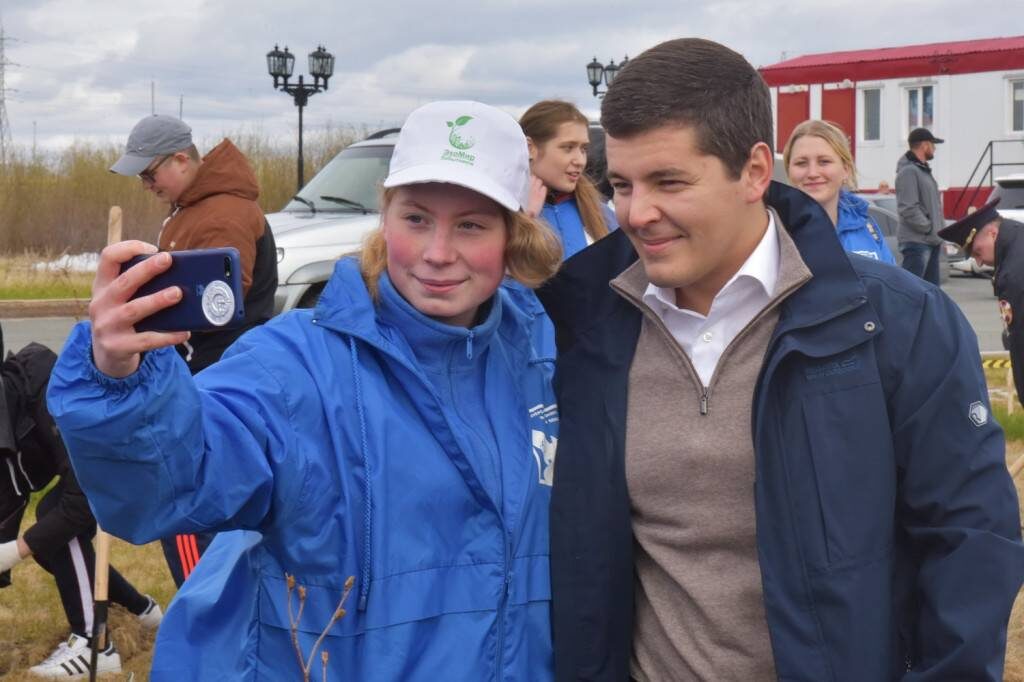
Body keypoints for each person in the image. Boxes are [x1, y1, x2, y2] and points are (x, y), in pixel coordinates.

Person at [536, 38, 1024, 681]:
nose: (636, 213)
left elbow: (969, 539)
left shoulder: (899, 322)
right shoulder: (580, 323)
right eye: (621, 184)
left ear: (756, 172)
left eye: (669, 182)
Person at [46, 100, 562, 680]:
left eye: (471, 224)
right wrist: (118, 377)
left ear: (513, 234)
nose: (438, 253)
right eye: (416, 218)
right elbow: (166, 486)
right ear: (384, 217)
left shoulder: (547, 357)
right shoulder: (293, 367)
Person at [109, 114, 279, 587]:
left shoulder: (222, 214)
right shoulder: (193, 208)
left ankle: (204, 617)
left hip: (217, 378)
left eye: (150, 172)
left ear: (182, 159)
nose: (146, 184)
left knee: (186, 505)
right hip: (208, 374)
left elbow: (219, 304)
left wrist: (145, 313)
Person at [0, 332, 162, 678]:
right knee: (48, 538)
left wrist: (16, 550)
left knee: (55, 524)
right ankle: (142, 611)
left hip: (144, 454)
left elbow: (82, 501)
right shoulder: (10, 401)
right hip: (105, 466)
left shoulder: (46, 390)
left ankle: (95, 643)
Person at [940, 197, 1024, 403]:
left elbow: (1020, 340)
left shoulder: (1012, 274)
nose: (978, 261)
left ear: (992, 234)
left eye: (977, 251)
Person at [783, 119, 895, 264]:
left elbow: (891, 282)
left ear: (846, 170)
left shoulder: (866, 227)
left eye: (824, 161)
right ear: (789, 171)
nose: (812, 173)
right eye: (801, 163)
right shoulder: (771, 232)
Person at [520, 100, 615, 260]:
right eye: (568, 148)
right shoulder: (499, 212)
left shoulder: (603, 214)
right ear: (530, 148)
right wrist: (525, 221)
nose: (580, 160)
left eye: (583, 149)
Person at [896, 127, 946, 284]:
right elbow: (908, 207)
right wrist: (928, 228)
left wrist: (937, 233)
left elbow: (932, 207)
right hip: (917, 243)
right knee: (912, 293)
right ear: (925, 145)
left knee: (931, 294)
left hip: (929, 241)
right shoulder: (909, 171)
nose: (935, 148)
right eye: (933, 144)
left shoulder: (922, 171)